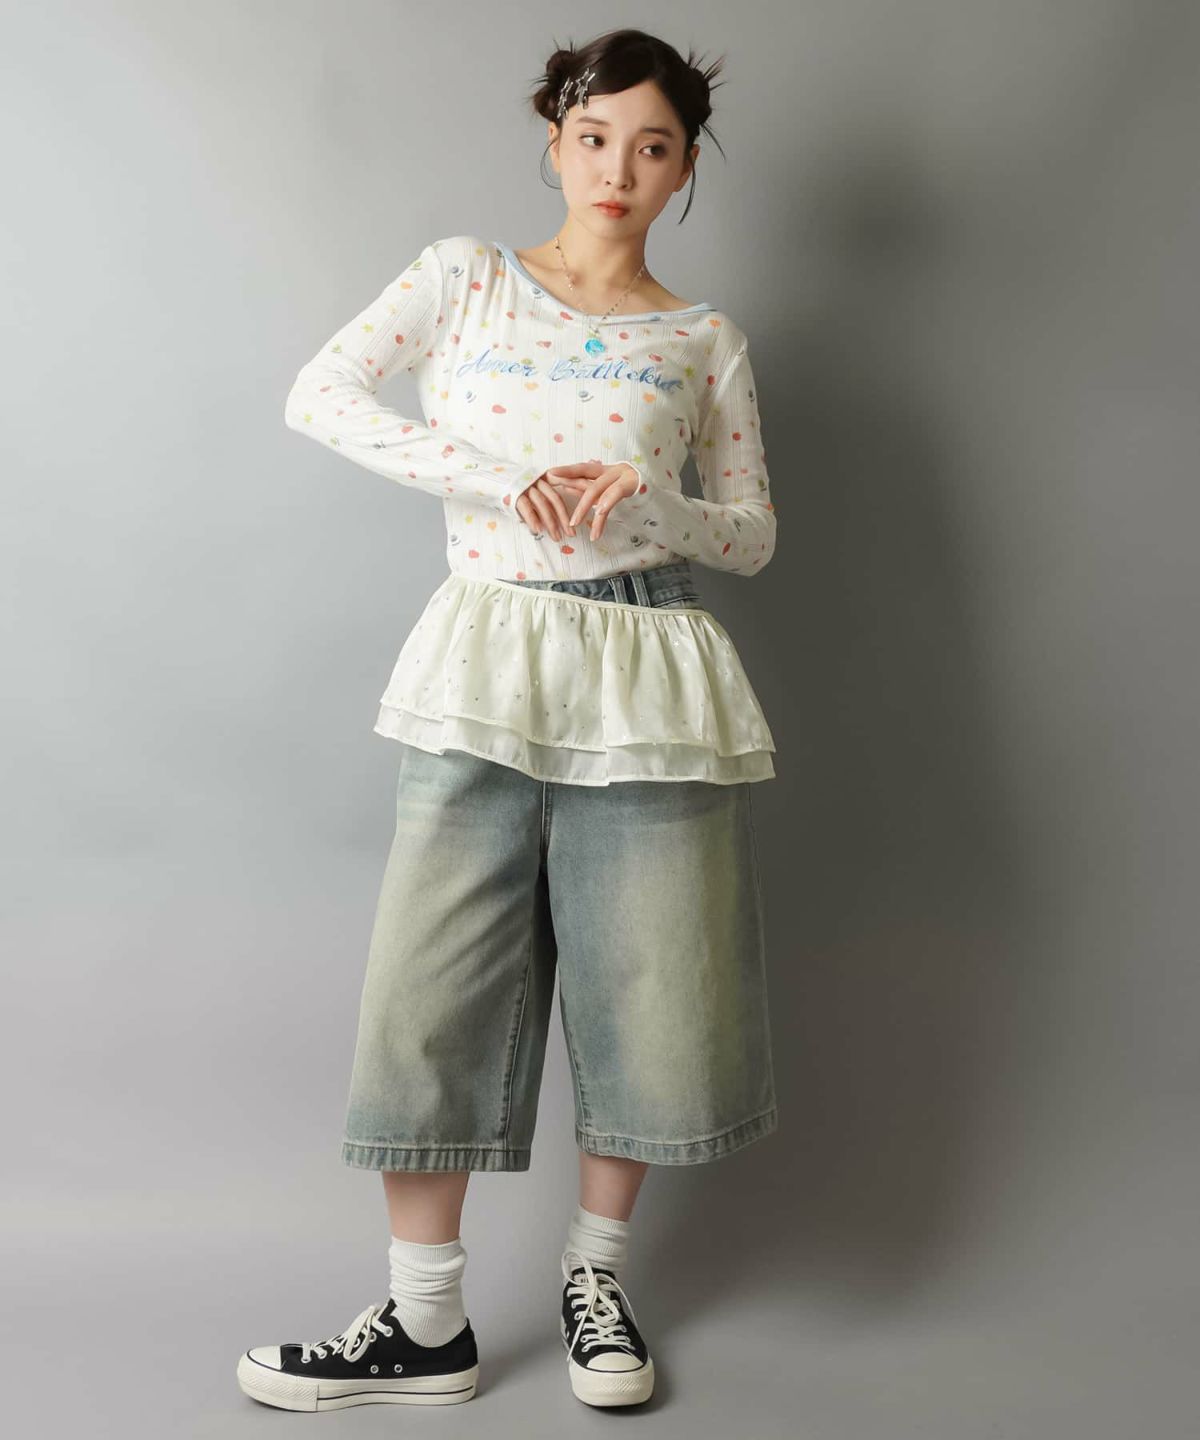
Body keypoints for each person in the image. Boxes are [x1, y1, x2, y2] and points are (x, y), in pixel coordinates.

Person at [236, 25, 779, 1414]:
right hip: (487, 651)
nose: (618, 169)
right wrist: (488, 476)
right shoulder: (463, 278)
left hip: (648, 669)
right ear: (555, 138)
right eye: (594, 137)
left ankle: (598, 1278)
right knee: (434, 985)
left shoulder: (702, 340)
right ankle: (426, 1322)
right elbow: (320, 394)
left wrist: (657, 505)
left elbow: (752, 535)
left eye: (652, 147)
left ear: (685, 169)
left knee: (651, 980)